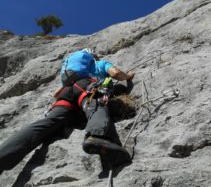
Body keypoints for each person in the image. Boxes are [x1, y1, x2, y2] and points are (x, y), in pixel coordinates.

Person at [0, 48, 135, 174]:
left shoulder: (70, 67)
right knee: (97, 105)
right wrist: (128, 76)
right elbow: (116, 73)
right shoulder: (98, 63)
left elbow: (61, 91)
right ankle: (98, 137)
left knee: (49, 122)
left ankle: (4, 154)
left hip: (65, 94)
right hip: (85, 87)